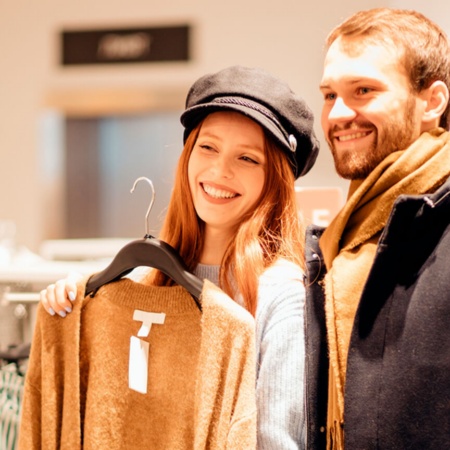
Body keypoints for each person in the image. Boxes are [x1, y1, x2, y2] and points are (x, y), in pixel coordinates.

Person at [39, 65, 320, 449]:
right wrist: (74, 307)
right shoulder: (149, 282)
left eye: (248, 159)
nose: (220, 171)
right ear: (188, 155)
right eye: (208, 147)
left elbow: (277, 441)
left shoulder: (280, 296)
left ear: (275, 178)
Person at [304, 8, 450, 450]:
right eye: (329, 95)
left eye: (363, 90)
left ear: (432, 101)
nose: (338, 114)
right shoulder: (333, 244)